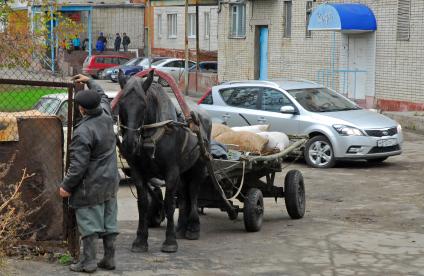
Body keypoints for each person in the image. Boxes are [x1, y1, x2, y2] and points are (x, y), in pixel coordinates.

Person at [59, 74, 119, 273]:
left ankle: (89, 263)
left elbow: (78, 165)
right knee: (109, 221)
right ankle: (109, 259)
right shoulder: (106, 115)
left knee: (88, 224)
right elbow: (102, 95)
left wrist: (66, 186)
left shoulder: (83, 132)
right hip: (110, 181)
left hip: (90, 185)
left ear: (81, 109)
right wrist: (90, 80)